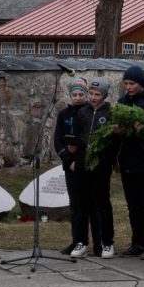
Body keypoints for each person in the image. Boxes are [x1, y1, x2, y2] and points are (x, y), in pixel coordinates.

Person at [115, 65, 144, 260]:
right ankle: (137, 242)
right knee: (132, 204)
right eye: (126, 83)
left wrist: (139, 128)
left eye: (132, 83)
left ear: (140, 83)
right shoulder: (122, 102)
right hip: (127, 159)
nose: (128, 87)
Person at [74, 77, 115, 258]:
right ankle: (82, 242)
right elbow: (77, 135)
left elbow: (114, 140)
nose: (93, 97)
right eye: (91, 93)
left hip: (101, 165)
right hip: (83, 164)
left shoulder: (110, 113)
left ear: (104, 96)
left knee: (102, 204)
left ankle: (107, 243)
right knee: (83, 204)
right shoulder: (82, 112)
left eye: (97, 94)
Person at [54, 77, 89, 257]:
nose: (77, 98)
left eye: (81, 94)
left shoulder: (89, 113)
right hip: (70, 166)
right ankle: (76, 240)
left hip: (85, 165)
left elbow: (87, 139)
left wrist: (79, 159)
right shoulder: (64, 115)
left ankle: (88, 242)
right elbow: (58, 139)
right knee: (75, 205)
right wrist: (67, 159)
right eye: (74, 94)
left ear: (86, 95)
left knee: (87, 205)